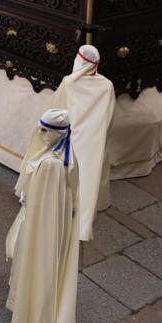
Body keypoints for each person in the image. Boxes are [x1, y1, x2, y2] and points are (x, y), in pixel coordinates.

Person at [5, 108, 79, 323]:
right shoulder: (63, 156)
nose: (40, 133)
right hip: (46, 221)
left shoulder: (51, 165)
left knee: (37, 262)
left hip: (40, 223)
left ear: (58, 133)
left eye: (46, 129)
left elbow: (40, 202)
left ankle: (33, 316)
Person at [52, 45, 114, 241]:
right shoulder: (107, 85)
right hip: (95, 138)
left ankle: (63, 206)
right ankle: (95, 205)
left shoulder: (69, 82)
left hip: (72, 137)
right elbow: (110, 113)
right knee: (93, 173)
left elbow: (57, 109)